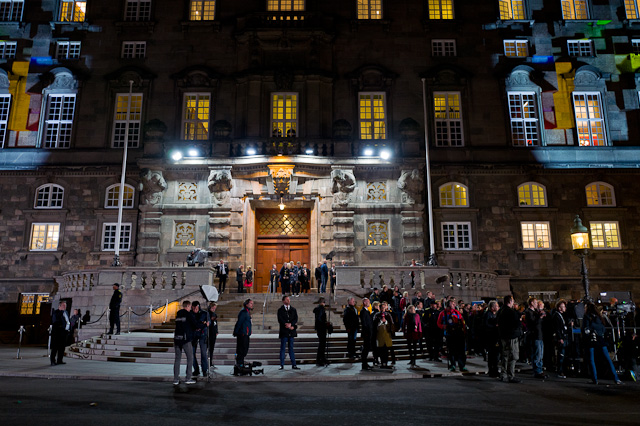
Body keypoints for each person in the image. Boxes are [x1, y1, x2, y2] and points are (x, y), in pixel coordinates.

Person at [582, 302, 622, 385]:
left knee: (591, 360)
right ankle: (616, 378)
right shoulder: (599, 317)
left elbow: (586, 329)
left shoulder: (587, 317)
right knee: (608, 359)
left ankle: (594, 379)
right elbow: (603, 328)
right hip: (601, 339)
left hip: (591, 340)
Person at [437, 299, 467, 372]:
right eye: (452, 303)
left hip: (458, 334)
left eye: (454, 303)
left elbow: (462, 322)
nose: (454, 305)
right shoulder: (442, 313)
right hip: (449, 334)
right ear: (448, 305)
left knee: (461, 351)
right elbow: (438, 323)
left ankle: (462, 365)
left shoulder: (457, 312)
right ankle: (452, 365)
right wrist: (443, 326)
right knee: (451, 351)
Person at [498, 295, 522, 383]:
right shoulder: (510, 312)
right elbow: (517, 324)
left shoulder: (501, 311)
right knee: (513, 356)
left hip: (504, 336)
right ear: (510, 301)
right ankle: (510, 375)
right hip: (511, 336)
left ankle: (503, 374)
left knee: (505, 355)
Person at [173, 300, 197, 385]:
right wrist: (205, 324)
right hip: (185, 339)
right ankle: (188, 378)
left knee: (177, 359)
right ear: (188, 306)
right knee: (190, 358)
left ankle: (176, 379)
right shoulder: (188, 314)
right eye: (190, 307)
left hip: (177, 338)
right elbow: (195, 325)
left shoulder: (178, 314)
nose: (190, 308)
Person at [525, 297, 547, 379]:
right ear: (531, 303)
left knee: (540, 354)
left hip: (539, 335)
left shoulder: (535, 312)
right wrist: (539, 317)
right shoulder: (528, 312)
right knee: (537, 354)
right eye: (535, 302)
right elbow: (532, 323)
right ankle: (537, 371)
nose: (537, 304)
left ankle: (540, 370)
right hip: (535, 335)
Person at [277, 296, 300, 370]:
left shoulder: (293, 309)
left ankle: (294, 364)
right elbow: (280, 319)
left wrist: (291, 324)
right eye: (287, 299)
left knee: (291, 348)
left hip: (291, 331)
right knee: (283, 348)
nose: (288, 300)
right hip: (284, 331)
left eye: (289, 299)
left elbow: (295, 318)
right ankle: (282, 364)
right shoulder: (280, 310)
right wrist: (286, 324)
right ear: (283, 301)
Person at [552, 299, 570, 379]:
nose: (565, 308)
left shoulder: (562, 315)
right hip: (561, 337)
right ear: (559, 308)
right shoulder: (556, 316)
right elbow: (557, 328)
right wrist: (560, 338)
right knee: (561, 355)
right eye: (563, 306)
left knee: (563, 354)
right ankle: (560, 371)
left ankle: (563, 369)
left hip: (564, 336)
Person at [191, 301, 210, 378]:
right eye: (194, 308)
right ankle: (196, 369)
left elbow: (209, 323)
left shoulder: (204, 313)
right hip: (193, 335)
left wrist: (206, 323)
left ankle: (204, 370)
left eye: (196, 308)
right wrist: (202, 324)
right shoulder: (190, 314)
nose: (195, 309)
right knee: (192, 354)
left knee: (203, 353)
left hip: (202, 335)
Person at [374, 301, 395, 368]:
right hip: (380, 334)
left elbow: (391, 324)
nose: (383, 309)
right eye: (381, 308)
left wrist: (385, 322)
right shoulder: (377, 315)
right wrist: (380, 321)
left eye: (384, 307)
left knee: (387, 349)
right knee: (381, 349)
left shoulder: (388, 315)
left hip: (387, 334)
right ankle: (381, 362)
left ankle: (386, 362)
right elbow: (374, 324)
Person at [483, 300, 501, 377]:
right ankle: (492, 371)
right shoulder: (488, 315)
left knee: (495, 356)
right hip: (491, 338)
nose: (498, 307)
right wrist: (495, 326)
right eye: (496, 306)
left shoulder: (495, 315)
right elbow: (486, 326)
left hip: (495, 337)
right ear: (492, 307)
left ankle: (495, 370)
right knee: (492, 355)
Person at [233, 299, 253, 366]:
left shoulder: (247, 312)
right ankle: (239, 363)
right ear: (246, 304)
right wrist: (236, 331)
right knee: (242, 349)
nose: (252, 305)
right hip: (242, 334)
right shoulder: (243, 312)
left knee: (245, 349)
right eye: (251, 303)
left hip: (246, 334)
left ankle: (241, 362)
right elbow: (239, 322)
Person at [50, 301, 70, 366]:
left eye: (65, 305)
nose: (65, 307)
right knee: (55, 347)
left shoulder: (66, 312)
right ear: (60, 306)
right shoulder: (56, 312)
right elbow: (55, 321)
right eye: (63, 305)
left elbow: (67, 321)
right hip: (57, 332)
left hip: (64, 333)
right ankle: (52, 360)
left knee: (62, 347)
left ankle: (60, 360)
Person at [359, 298, 374, 370]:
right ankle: (364, 364)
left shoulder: (367, 311)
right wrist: (367, 332)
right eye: (368, 302)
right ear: (364, 303)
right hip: (366, 333)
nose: (369, 303)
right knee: (366, 348)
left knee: (367, 348)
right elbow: (364, 323)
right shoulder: (363, 311)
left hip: (369, 332)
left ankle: (365, 363)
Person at [313, 297, 329, 366]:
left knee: (322, 344)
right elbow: (320, 319)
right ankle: (320, 359)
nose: (325, 303)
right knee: (322, 345)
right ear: (322, 303)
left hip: (320, 328)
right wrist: (325, 324)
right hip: (321, 329)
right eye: (324, 302)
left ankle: (322, 358)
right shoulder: (321, 309)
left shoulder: (318, 309)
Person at [207, 302, 218, 369]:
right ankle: (208, 363)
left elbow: (216, 323)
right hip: (209, 334)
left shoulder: (214, 314)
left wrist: (216, 331)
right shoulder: (207, 314)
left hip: (213, 334)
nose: (214, 309)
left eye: (215, 308)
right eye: (213, 308)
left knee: (211, 349)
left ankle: (210, 363)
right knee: (208, 349)